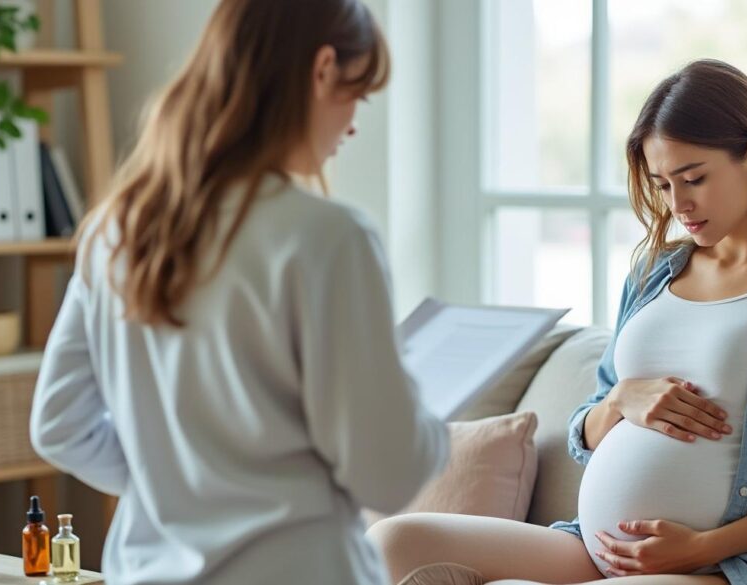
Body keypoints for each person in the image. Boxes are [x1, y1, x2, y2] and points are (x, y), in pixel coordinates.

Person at [369, 59, 747, 585]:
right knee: (391, 544)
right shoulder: (651, 273)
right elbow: (589, 427)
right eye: (663, 184)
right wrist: (621, 400)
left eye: (694, 179)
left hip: (723, 566)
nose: (678, 204)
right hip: (591, 548)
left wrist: (701, 547)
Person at [28, 1, 448, 583]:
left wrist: (182, 486)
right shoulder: (329, 238)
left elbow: (58, 423)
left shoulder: (114, 231)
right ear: (322, 69)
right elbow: (389, 474)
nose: (352, 124)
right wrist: (431, 423)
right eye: (358, 94)